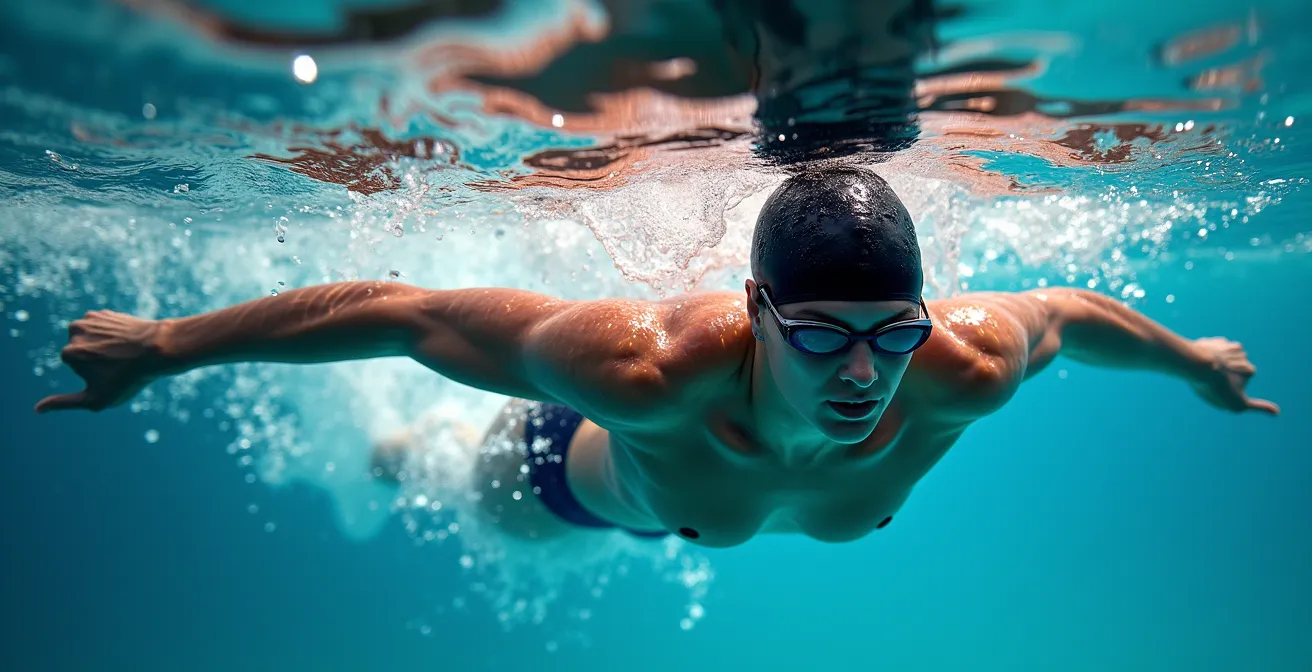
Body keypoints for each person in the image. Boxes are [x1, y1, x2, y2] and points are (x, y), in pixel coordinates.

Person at [35, 166, 1279, 548]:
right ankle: (396, 454)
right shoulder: (641, 370)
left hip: (691, 504)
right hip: (565, 485)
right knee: (425, 471)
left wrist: (1188, 362)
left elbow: (1066, 310)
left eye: (890, 333)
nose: (865, 375)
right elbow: (401, 310)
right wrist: (162, 345)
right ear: (756, 308)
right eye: (825, 338)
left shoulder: (960, 364)